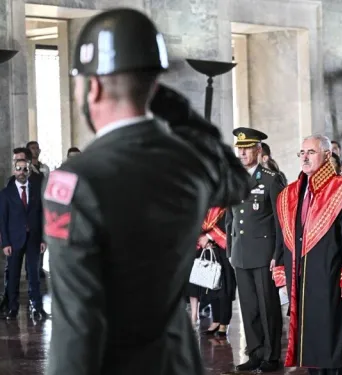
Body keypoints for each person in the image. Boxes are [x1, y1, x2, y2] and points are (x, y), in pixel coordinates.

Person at [43, 8, 249, 375]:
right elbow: (236, 181)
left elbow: (77, 323)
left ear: (94, 86)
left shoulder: (76, 181)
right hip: (178, 362)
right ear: (155, 86)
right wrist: (178, 110)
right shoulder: (188, 161)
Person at [272, 134, 342, 375]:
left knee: (335, 340)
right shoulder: (291, 193)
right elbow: (283, 236)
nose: (305, 158)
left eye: (311, 152)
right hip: (303, 281)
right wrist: (283, 271)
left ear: (327, 155)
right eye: (302, 153)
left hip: (332, 277)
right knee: (311, 341)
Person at [226, 127, 285, 373]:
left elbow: (281, 221)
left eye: (247, 148)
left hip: (264, 252)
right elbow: (230, 217)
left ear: (258, 149)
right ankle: (255, 352)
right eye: (239, 148)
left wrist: (277, 254)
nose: (242, 153)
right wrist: (231, 249)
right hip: (241, 252)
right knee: (249, 307)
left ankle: (271, 356)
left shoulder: (272, 178)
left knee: (267, 306)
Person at [0, 159, 47, 320]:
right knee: (13, 275)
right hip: (14, 241)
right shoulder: (6, 193)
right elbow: (2, 220)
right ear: (14, 171)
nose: (22, 172)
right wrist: (5, 242)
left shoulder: (35, 191)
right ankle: (12, 307)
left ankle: (37, 306)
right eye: (18, 169)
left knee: (34, 275)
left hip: (33, 239)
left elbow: (41, 216)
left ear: (29, 171)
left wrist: (43, 239)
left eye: (25, 169)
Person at [197, 207, 235, 337]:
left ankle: (224, 321)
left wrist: (209, 236)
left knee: (224, 287)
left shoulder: (225, 203)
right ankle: (216, 319)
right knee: (211, 285)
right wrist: (202, 237)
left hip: (224, 249)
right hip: (209, 249)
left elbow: (228, 222)